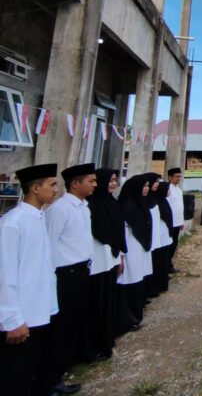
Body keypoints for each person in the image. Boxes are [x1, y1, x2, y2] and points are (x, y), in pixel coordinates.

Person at [0, 164, 59, 396]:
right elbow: (5, 272)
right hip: (20, 319)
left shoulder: (39, 217)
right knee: (13, 377)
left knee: (29, 373)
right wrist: (12, 318)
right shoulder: (13, 222)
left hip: (39, 311)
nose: (56, 190)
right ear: (35, 188)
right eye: (51, 185)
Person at [42, 163, 97, 396]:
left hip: (81, 271)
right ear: (75, 184)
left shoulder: (83, 207)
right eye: (90, 181)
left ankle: (62, 369)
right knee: (60, 327)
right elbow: (49, 245)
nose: (95, 184)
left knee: (73, 322)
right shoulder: (60, 209)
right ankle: (50, 380)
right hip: (64, 275)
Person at [84, 168, 126, 362]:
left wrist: (120, 257)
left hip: (111, 259)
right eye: (109, 180)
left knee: (108, 301)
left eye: (115, 180)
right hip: (96, 262)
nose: (113, 184)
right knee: (95, 304)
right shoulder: (90, 205)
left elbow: (118, 233)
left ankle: (107, 340)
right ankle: (94, 345)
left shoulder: (113, 203)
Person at [116, 175, 153, 336]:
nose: (147, 188)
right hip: (129, 251)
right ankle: (127, 320)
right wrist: (122, 255)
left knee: (137, 282)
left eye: (147, 186)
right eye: (144, 186)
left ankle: (135, 316)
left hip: (139, 250)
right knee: (128, 283)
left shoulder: (140, 203)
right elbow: (121, 233)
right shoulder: (127, 206)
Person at [145, 175, 173, 297]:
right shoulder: (154, 202)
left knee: (163, 262)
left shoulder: (161, 201)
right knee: (157, 263)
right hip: (158, 239)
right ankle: (155, 286)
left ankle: (162, 283)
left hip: (165, 238)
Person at [166, 168, 185, 274]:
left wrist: (181, 221)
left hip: (177, 223)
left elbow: (180, 207)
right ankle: (166, 265)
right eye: (176, 176)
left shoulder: (178, 189)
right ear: (170, 177)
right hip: (170, 224)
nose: (178, 178)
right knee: (169, 246)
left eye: (179, 176)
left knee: (174, 245)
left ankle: (169, 265)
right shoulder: (167, 189)